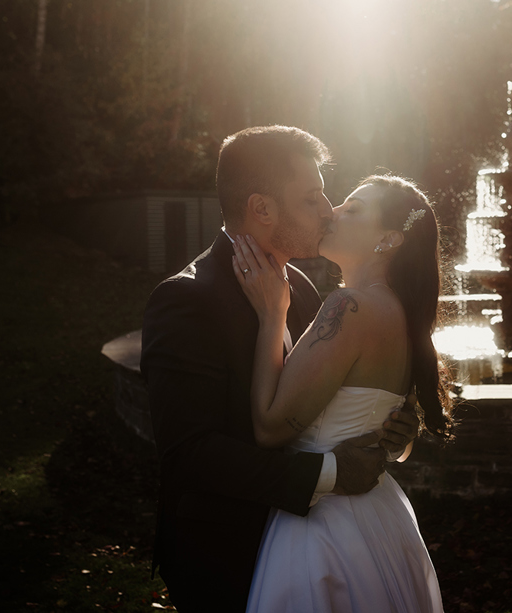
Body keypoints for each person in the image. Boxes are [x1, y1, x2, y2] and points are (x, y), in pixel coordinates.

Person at [140, 126, 421, 612]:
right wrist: (332, 471)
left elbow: (314, 404)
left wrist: (390, 426)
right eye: (312, 197)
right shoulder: (186, 300)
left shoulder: (306, 292)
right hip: (226, 554)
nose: (328, 210)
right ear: (262, 208)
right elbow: (189, 453)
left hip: (313, 550)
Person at [232, 174, 454, 612]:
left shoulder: (349, 307)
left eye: (353, 209)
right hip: (381, 520)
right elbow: (393, 436)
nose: (333, 212)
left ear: (388, 238)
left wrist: (271, 314)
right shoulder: (404, 315)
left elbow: (270, 427)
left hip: (325, 528)